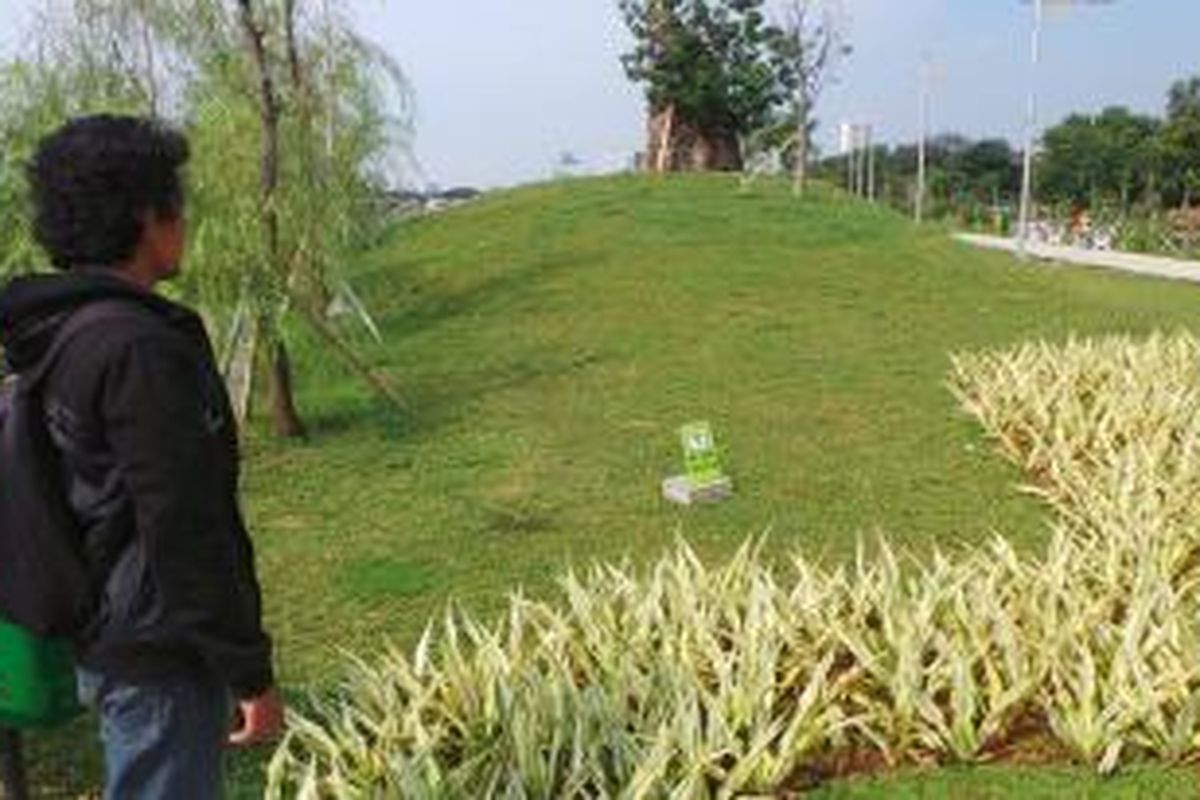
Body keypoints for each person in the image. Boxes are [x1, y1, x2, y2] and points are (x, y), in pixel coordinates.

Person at [0, 115, 282, 798]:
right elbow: (183, 525)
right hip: (159, 651)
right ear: (147, 217)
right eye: (176, 202)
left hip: (113, 635)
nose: (185, 221)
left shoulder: (64, 332)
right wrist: (248, 670)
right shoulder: (135, 348)